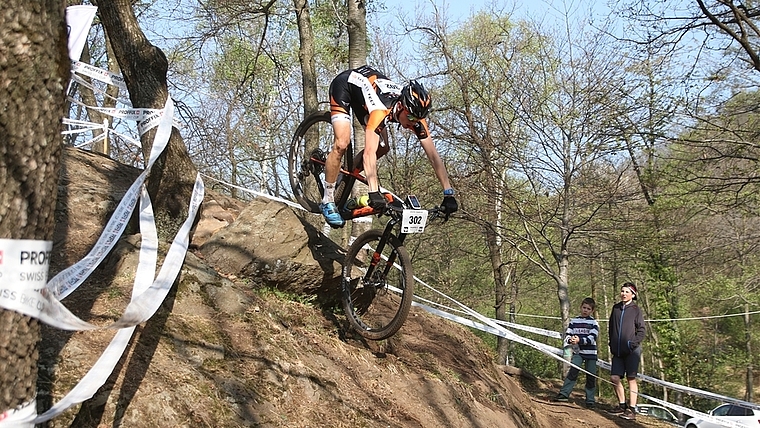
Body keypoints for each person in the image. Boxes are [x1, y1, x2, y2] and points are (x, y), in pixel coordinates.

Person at [319, 65, 458, 227]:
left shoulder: (416, 116)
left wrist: (448, 192)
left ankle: (346, 177)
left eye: (417, 119)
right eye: (411, 117)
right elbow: (369, 153)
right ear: (401, 107)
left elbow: (434, 157)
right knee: (342, 144)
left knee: (383, 147)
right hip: (346, 86)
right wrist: (373, 190)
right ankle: (327, 200)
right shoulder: (381, 111)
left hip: (367, 94)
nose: (413, 123)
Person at [608, 282, 646, 421]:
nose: (624, 293)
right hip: (617, 351)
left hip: (632, 351)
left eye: (627, 291)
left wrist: (632, 343)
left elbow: (642, 330)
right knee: (614, 378)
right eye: (622, 291)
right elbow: (611, 327)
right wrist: (611, 343)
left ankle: (632, 409)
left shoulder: (636, 310)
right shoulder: (616, 308)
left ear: (633, 294)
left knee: (631, 378)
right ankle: (622, 405)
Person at [553, 297, 599, 408]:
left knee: (591, 376)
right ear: (580, 307)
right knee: (573, 371)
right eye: (584, 307)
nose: (585, 310)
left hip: (591, 354)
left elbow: (592, 338)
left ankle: (590, 400)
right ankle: (564, 394)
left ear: (592, 311)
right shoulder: (574, 321)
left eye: (588, 309)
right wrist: (571, 340)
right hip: (578, 353)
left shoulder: (594, 323)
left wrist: (580, 340)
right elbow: (568, 334)